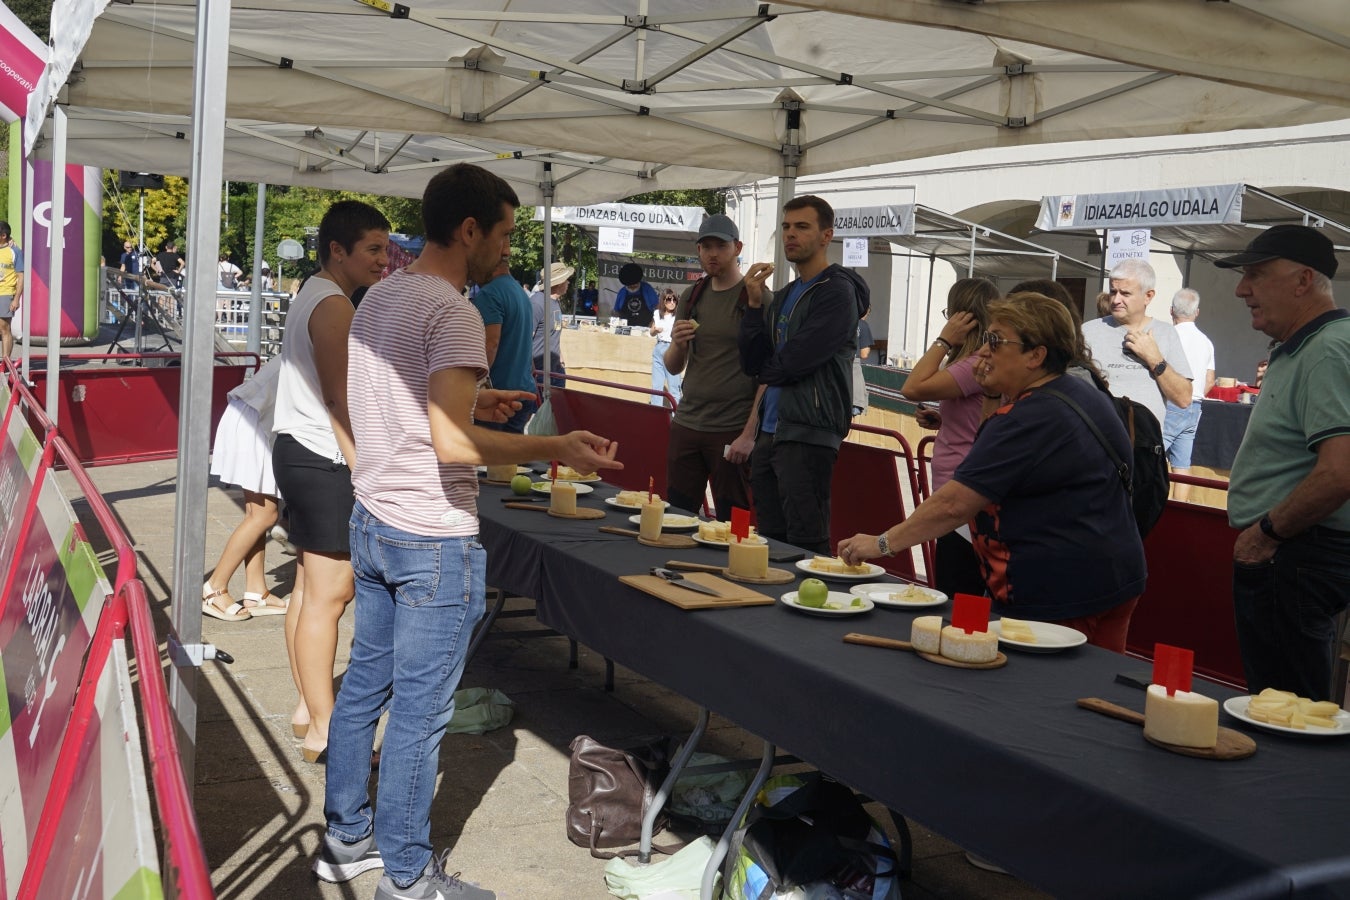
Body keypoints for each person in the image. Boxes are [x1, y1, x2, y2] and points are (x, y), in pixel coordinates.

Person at [318, 162, 621, 900]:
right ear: (469, 230)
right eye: (507, 234)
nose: (509, 250)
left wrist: (476, 406)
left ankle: (346, 837)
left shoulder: (380, 293)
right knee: (420, 715)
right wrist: (557, 447)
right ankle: (408, 877)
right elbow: (450, 445)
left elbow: (412, 407)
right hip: (430, 533)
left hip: (377, 516)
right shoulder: (452, 309)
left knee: (365, 684)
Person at [839, 293, 1146, 651]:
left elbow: (954, 505)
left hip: (1060, 590)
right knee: (1090, 692)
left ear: (1036, 355)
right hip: (1115, 576)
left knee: (1042, 694)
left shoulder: (1029, 417)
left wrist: (881, 543)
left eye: (996, 341)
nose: (983, 351)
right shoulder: (1079, 392)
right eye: (986, 338)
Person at [271, 200, 391, 762]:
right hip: (323, 458)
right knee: (330, 595)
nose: (384, 260)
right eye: (373, 249)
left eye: (385, 249)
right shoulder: (334, 303)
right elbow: (339, 396)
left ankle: (307, 708)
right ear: (337, 250)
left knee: (310, 589)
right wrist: (359, 461)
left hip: (301, 452)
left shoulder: (315, 293)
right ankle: (324, 726)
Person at [1214, 224, 1350, 701]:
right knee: (1286, 708)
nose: (1241, 289)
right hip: (1295, 555)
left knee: (1285, 714)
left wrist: (1264, 535)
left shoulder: (1328, 348)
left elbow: (1340, 471)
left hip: (1296, 555)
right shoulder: (1312, 345)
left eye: (1256, 274)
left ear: (1302, 280)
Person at [738, 195, 869, 553]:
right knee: (769, 542)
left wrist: (770, 368)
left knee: (806, 544)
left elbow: (794, 362)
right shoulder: (782, 296)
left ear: (827, 235)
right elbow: (754, 364)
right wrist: (753, 304)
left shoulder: (837, 292)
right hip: (771, 431)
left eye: (802, 226)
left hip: (809, 431)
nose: (790, 234)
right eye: (785, 227)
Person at [900, 278, 999, 597]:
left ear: (961, 317)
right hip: (959, 483)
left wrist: (943, 340)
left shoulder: (973, 365)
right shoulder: (977, 365)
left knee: (956, 591)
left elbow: (911, 387)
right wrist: (946, 421)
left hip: (959, 493)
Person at [664, 214, 759, 519]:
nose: (713, 253)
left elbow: (769, 376)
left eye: (721, 245)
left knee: (735, 525)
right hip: (687, 423)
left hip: (730, 430)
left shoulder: (757, 298)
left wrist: (749, 434)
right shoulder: (692, 296)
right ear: (698, 250)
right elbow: (673, 366)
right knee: (676, 519)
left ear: (737, 247)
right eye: (706, 246)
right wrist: (677, 343)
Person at [203, 357, 288, 621]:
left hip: (251, 414)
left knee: (260, 512)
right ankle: (214, 588)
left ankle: (256, 591)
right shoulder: (336, 338)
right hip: (255, 420)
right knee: (264, 515)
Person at [1081, 258, 1193, 427]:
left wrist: (1155, 359)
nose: (1116, 299)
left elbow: (1184, 399)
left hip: (1144, 449)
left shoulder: (1166, 333)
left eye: (1125, 293)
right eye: (1113, 292)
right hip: (1096, 444)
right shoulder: (1087, 332)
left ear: (1148, 296)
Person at [472, 257, 538, 432]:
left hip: (498, 397)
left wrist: (468, 386)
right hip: (523, 391)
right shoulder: (521, 293)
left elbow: (490, 344)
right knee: (509, 457)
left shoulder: (490, 294)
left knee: (487, 457)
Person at [1163, 288, 1216, 501]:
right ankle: (1179, 510)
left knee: (1149, 458)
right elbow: (1210, 380)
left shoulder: (1167, 335)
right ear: (1197, 312)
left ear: (1171, 311)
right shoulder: (1206, 341)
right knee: (1182, 466)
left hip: (1170, 403)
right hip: (1194, 406)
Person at [531, 261, 572, 390]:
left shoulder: (554, 302)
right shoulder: (537, 303)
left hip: (555, 370)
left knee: (557, 409)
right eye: (566, 280)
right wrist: (532, 371)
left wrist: (560, 358)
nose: (568, 283)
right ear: (559, 283)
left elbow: (553, 333)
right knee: (540, 409)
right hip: (540, 372)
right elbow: (525, 339)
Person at [649, 288, 683, 406]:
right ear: (663, 300)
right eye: (669, 299)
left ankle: (675, 418)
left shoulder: (679, 315)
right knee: (656, 387)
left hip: (672, 348)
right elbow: (651, 332)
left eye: (675, 299)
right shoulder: (657, 314)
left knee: (674, 386)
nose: (672, 302)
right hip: (659, 348)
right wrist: (654, 330)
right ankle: (655, 416)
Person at [0, 223, 25, 359]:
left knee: (3, 327)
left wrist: (16, 299)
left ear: (3, 236)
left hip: (5, 293)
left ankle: (5, 362)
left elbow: (21, 276)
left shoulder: (15, 251)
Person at [613, 262, 657, 328]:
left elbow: (657, 308)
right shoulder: (622, 292)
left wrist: (652, 323)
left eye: (634, 285)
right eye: (630, 286)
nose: (632, 287)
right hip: (626, 329)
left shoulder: (647, 289)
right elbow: (616, 311)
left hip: (645, 328)